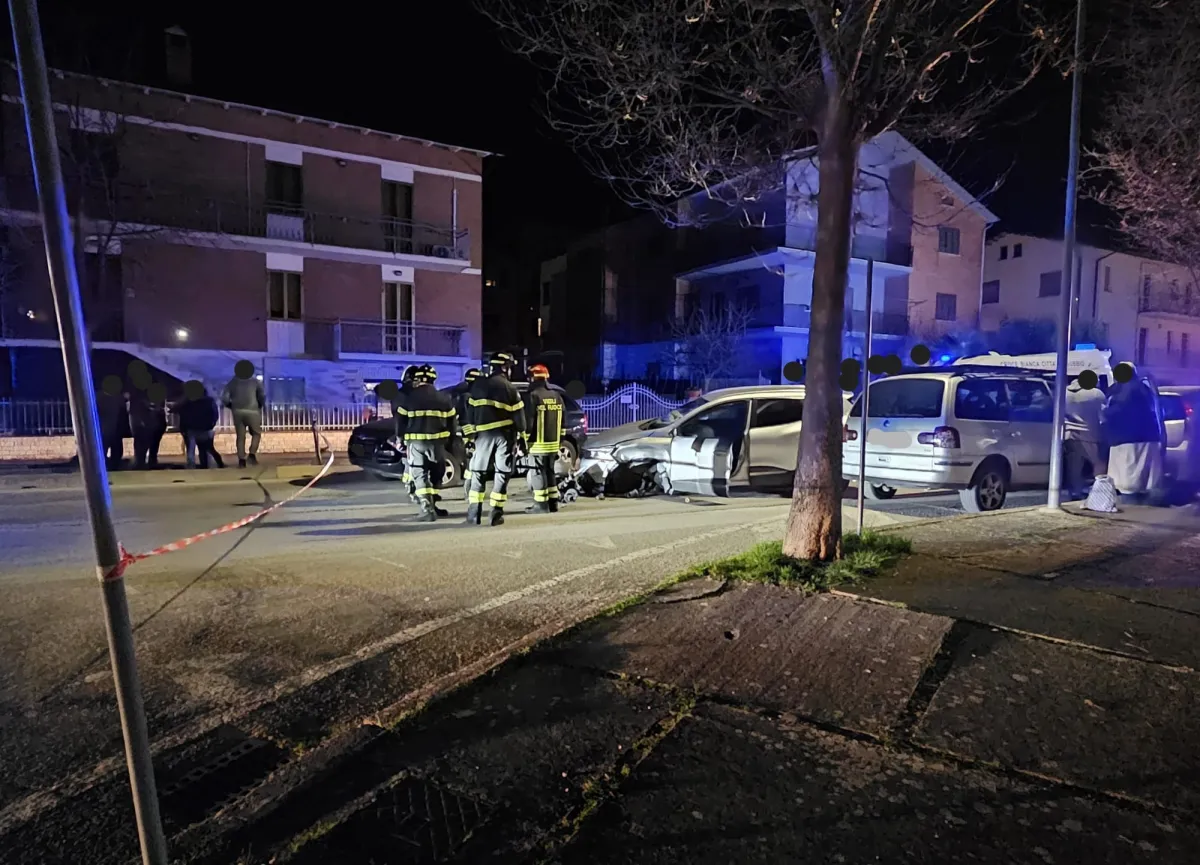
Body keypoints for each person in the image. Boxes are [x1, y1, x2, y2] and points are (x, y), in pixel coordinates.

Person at [465, 352, 526, 526]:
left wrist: (471, 434)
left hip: (483, 435)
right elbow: (519, 417)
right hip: (504, 436)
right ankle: (496, 512)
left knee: (478, 472)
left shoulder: (477, 386)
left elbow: (470, 411)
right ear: (505, 368)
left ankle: (474, 512)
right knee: (502, 472)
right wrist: (521, 436)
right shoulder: (509, 388)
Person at [394, 365, 457, 522]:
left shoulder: (409, 398)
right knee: (437, 472)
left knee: (419, 473)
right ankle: (434, 505)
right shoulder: (443, 398)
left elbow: (400, 421)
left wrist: (399, 438)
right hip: (437, 443)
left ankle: (426, 509)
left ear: (417, 380)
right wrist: (450, 442)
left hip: (416, 443)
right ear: (433, 380)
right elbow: (452, 424)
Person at [1103, 363, 1164, 504]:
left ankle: (1132, 504)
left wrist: (1105, 414)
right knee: (1144, 476)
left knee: (1127, 479)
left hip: (1124, 439)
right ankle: (1142, 504)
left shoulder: (1119, 390)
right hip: (1147, 437)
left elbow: (1116, 411)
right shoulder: (1145, 388)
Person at [523, 364, 564, 514]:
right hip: (553, 444)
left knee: (537, 473)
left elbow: (529, 422)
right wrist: (560, 440)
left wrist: (524, 441)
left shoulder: (533, 396)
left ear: (533, 378)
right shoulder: (556, 396)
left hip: (537, 444)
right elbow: (563, 421)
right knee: (550, 472)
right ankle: (553, 504)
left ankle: (540, 506)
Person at [1064, 376, 1106, 499]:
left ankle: (1075, 491)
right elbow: (1103, 415)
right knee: (1098, 464)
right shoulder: (1096, 394)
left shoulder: (1065, 393)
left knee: (1074, 467)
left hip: (1070, 434)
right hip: (1091, 434)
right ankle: (1100, 492)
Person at [222, 361, 265, 468]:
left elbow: (224, 398)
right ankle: (252, 454)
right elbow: (262, 396)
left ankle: (241, 460)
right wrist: (260, 405)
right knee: (256, 433)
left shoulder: (232, 382)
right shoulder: (255, 382)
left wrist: (231, 406)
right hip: (253, 411)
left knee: (240, 437)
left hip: (237, 412)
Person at [452, 367, 482, 496]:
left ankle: (470, 489)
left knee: (472, 463)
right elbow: (467, 418)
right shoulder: (469, 397)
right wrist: (471, 437)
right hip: (473, 435)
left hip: (469, 435)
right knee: (473, 464)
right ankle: (470, 490)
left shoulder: (461, 396)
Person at [180, 384, 224, 469]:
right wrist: (212, 424)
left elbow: (184, 415)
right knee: (206, 449)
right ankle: (207, 465)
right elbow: (214, 414)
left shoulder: (188, 401)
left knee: (191, 450)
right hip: (206, 428)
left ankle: (191, 466)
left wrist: (184, 427)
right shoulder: (209, 401)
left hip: (192, 428)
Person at [129, 389, 167, 469]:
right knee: (145, 446)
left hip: (153, 424)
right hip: (148, 424)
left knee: (149, 445)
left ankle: (144, 463)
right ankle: (142, 463)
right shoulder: (141, 398)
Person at [98, 384, 129, 470]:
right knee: (105, 449)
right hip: (106, 429)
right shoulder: (100, 397)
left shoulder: (116, 397)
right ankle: (105, 466)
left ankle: (113, 466)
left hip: (114, 429)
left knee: (116, 450)